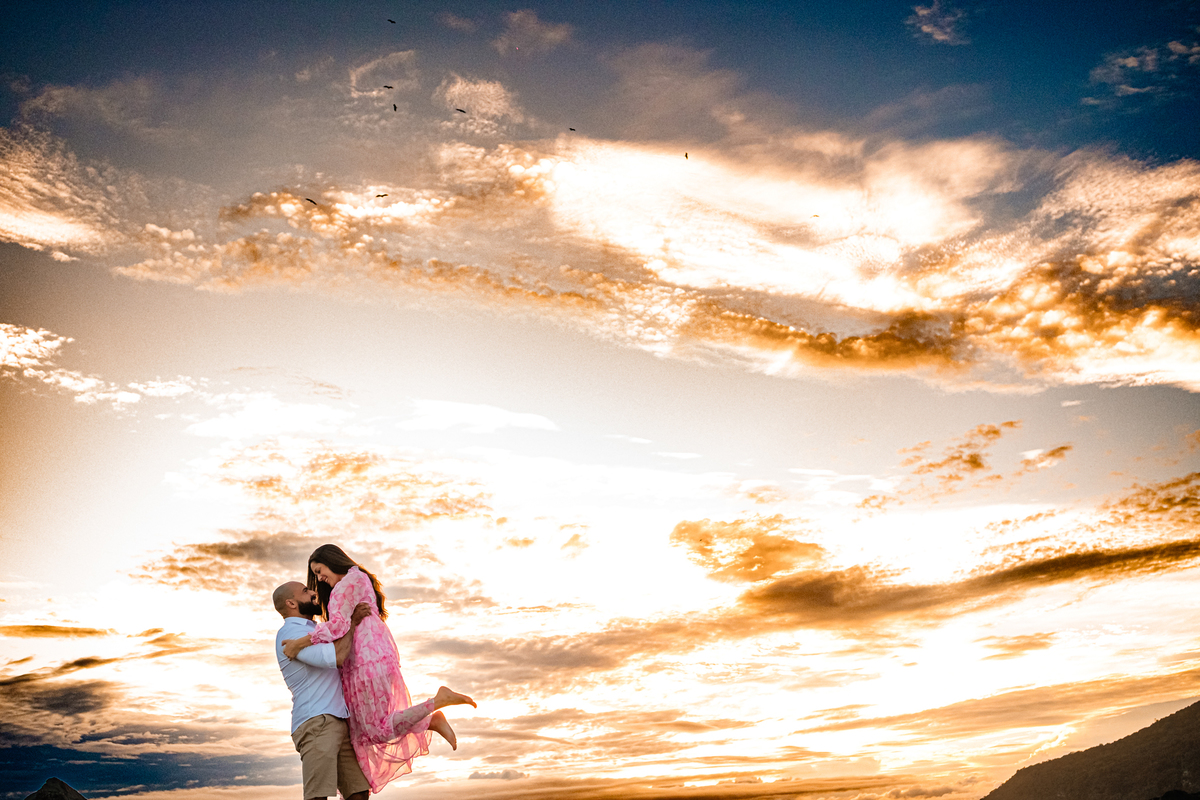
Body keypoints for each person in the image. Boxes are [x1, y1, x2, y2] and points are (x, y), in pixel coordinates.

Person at [281, 544, 477, 793]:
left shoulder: (344, 586)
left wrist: (301, 642)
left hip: (364, 661)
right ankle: (431, 718)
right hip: (377, 654)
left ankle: (434, 709)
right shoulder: (359, 577)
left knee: (373, 730)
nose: (319, 578)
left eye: (319, 571)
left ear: (332, 561)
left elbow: (338, 627)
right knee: (364, 731)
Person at [273, 580, 373, 800]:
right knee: (319, 795)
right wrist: (353, 621)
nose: (313, 593)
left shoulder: (314, 630)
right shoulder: (289, 634)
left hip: (337, 719)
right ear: (291, 603)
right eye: (305, 591)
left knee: (358, 792)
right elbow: (337, 657)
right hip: (316, 721)